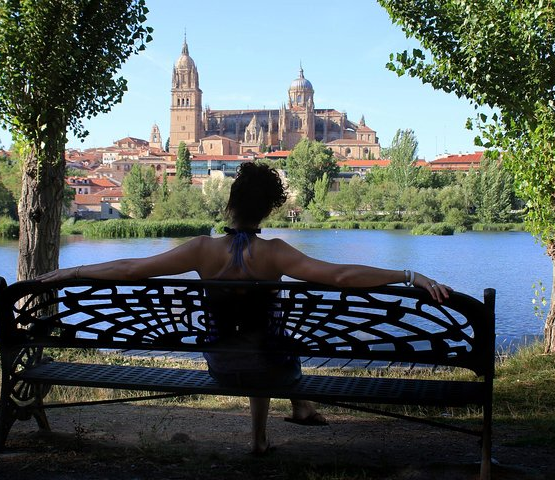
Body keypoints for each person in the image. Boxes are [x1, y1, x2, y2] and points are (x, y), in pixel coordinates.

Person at [37, 163, 449, 455]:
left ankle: (271, 430)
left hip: (220, 364)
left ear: (230, 203)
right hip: (271, 366)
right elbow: (339, 275)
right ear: (267, 210)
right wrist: (407, 275)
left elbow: (131, 268)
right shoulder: (276, 253)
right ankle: (290, 416)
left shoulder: (201, 248)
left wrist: (72, 272)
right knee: (273, 343)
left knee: (253, 343)